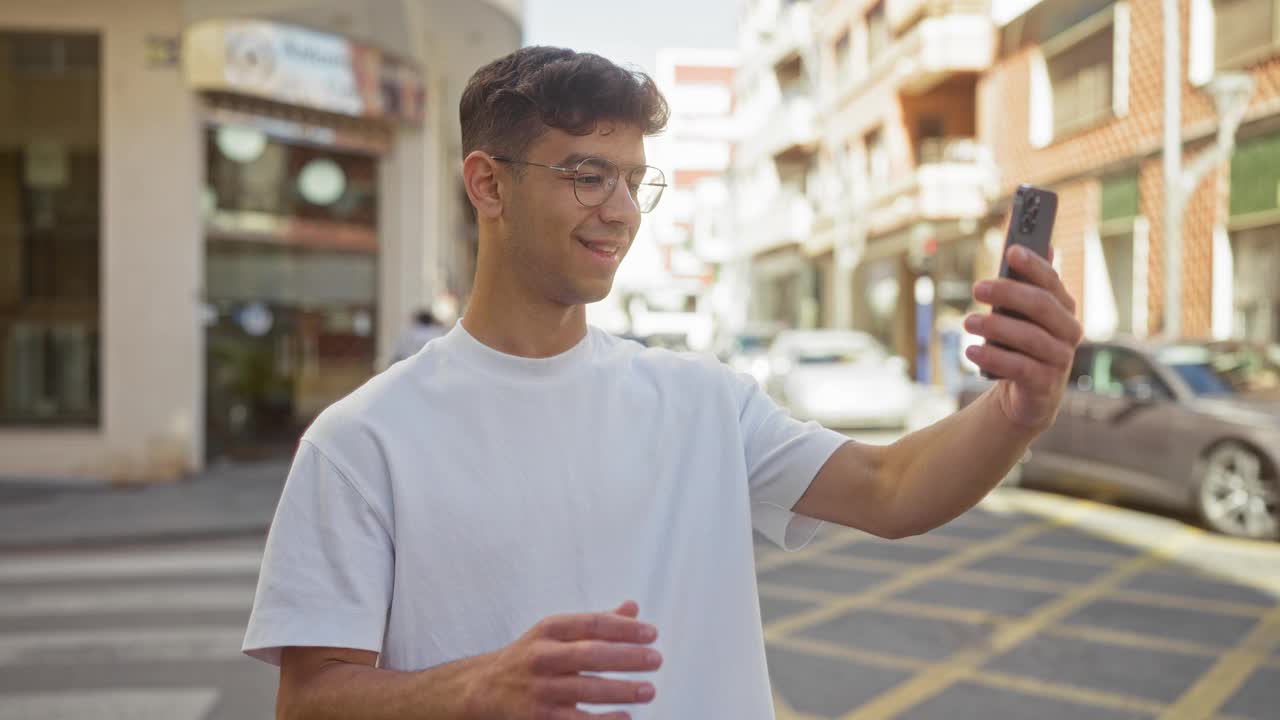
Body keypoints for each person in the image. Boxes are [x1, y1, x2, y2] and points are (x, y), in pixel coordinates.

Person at [243, 46, 1083, 719]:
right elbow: (310, 697)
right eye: (586, 175)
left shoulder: (703, 400)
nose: (619, 209)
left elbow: (892, 488)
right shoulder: (360, 442)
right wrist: (471, 689)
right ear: (487, 183)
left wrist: (1017, 411)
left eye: (633, 178)